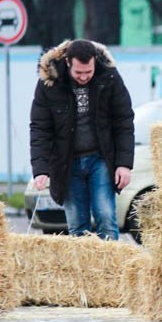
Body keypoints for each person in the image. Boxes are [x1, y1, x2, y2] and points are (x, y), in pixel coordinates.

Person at [30, 39, 134, 240]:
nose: (84, 77)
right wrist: (41, 169)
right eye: (78, 72)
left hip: (100, 160)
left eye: (89, 72)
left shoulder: (110, 78)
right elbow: (40, 129)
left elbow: (124, 122)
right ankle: (82, 261)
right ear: (67, 62)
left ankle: (110, 260)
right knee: (77, 224)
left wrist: (124, 165)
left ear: (95, 61)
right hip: (67, 164)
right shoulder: (49, 84)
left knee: (105, 216)